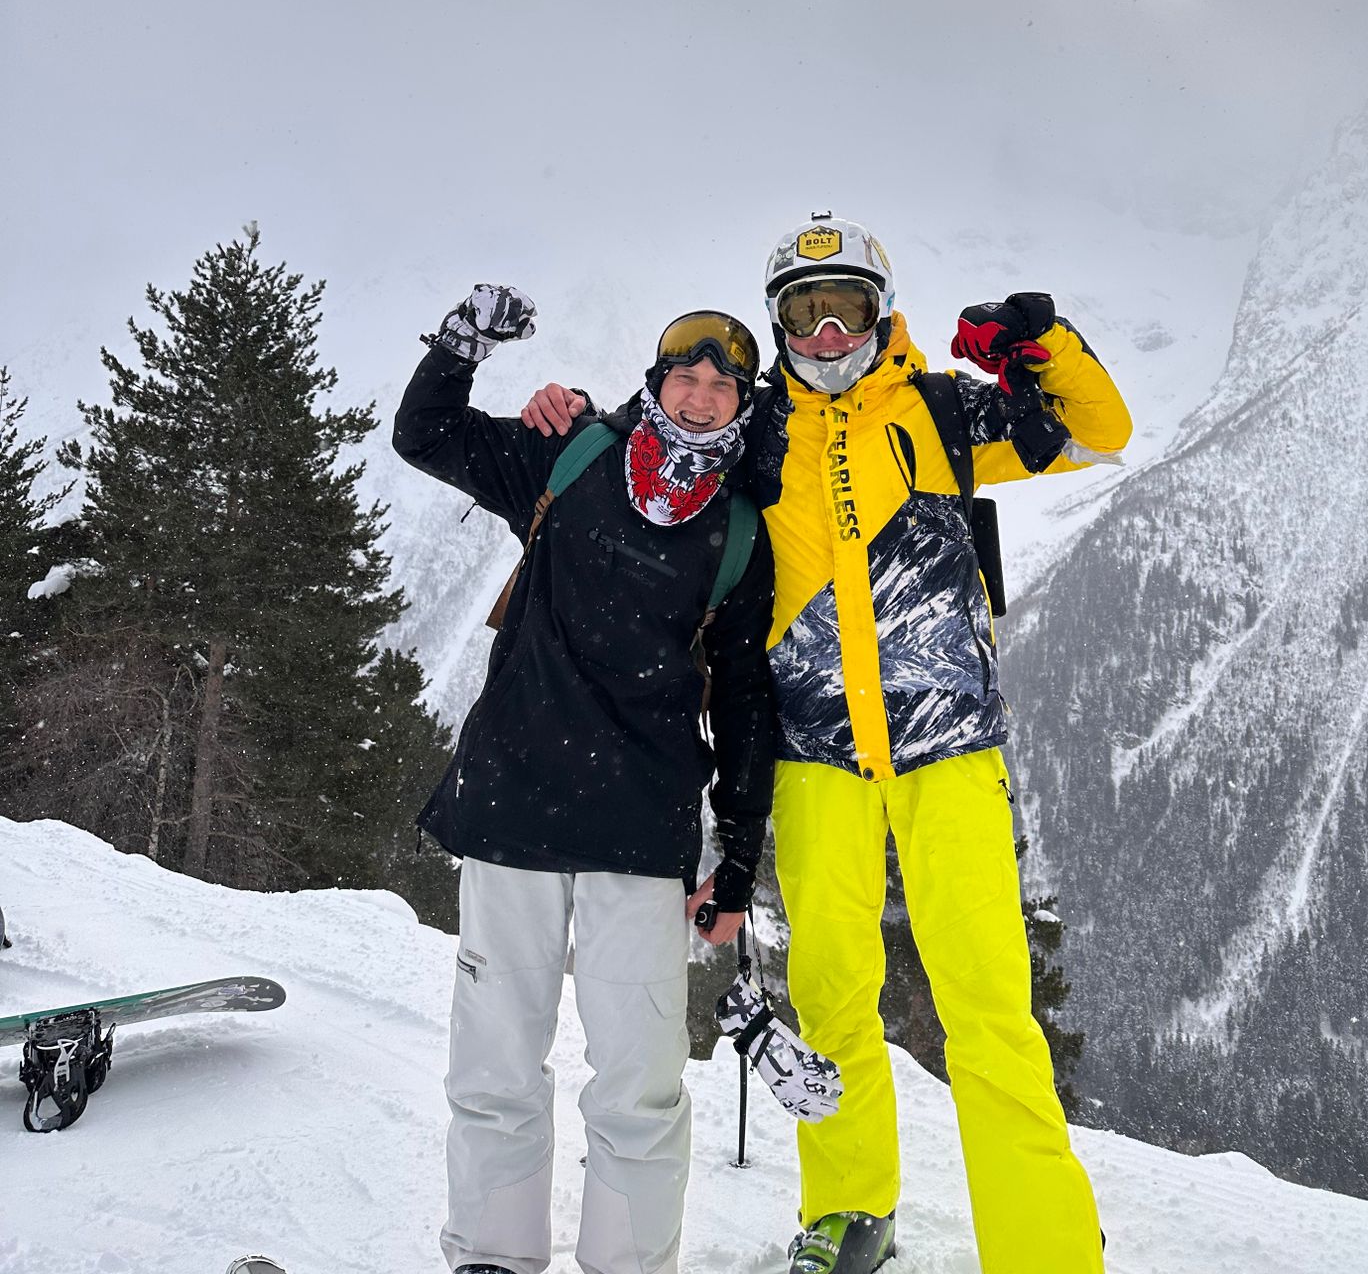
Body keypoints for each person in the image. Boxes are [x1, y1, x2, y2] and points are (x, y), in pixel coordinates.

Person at [523, 217, 1131, 1274]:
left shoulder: (942, 409)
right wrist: (565, 414)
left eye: (847, 305)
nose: (829, 331)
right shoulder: (755, 429)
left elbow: (1098, 431)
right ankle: (849, 1211)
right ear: (780, 322)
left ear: (881, 310)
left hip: (949, 749)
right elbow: (653, 439)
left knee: (989, 1010)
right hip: (816, 758)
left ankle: (1044, 1249)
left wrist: (1044, 344)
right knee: (834, 1001)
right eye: (806, 311)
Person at [393, 283, 777, 1274]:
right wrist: (461, 343)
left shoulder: (741, 530)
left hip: (640, 838)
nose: (700, 397)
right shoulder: (572, 458)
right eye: (685, 377)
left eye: (722, 386)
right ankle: (491, 1255)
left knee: (638, 1090)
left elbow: (744, 702)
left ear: (743, 403)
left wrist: (738, 859)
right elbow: (424, 433)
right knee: (494, 1071)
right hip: (513, 808)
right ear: (657, 382)